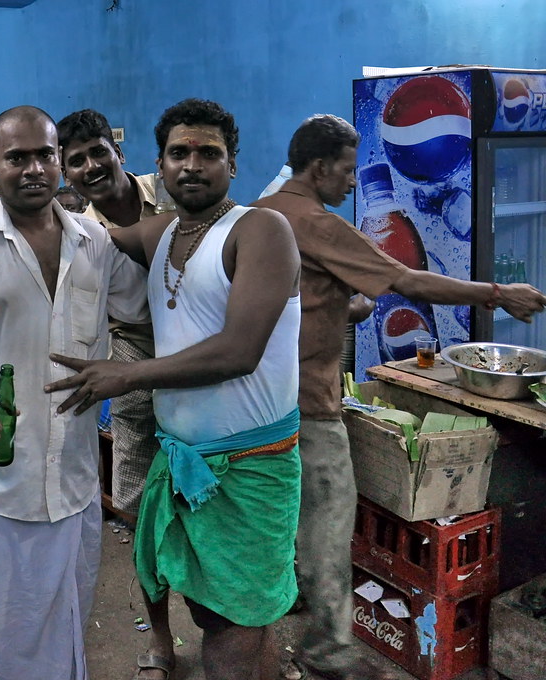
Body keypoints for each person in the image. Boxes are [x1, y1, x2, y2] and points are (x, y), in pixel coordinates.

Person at [252, 113, 546, 680]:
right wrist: (498, 292)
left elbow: (304, 297)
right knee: (330, 527)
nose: (354, 182)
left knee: (282, 520)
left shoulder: (261, 213)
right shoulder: (317, 221)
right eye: (345, 169)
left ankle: (287, 613)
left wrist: (340, 303)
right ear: (318, 168)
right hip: (309, 406)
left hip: (259, 404)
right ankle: (328, 652)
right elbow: (407, 280)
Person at [47, 99, 303, 680]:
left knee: (231, 634)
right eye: (178, 153)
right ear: (158, 167)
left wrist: (127, 374)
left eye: (208, 153)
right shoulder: (163, 231)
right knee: (218, 616)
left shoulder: (260, 230)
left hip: (251, 470)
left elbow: (240, 351)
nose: (193, 165)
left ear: (232, 165)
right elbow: (96, 229)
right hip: (184, 462)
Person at [0, 106, 149, 680]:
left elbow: (142, 310)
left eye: (45, 154)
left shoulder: (95, 242)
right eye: (18, 157)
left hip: (74, 469)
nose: (34, 168)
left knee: (68, 610)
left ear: (60, 162)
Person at [57, 108, 166, 520]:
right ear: (66, 175)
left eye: (98, 152)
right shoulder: (81, 237)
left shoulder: (170, 189)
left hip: (205, 343)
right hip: (135, 345)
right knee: (136, 468)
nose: (92, 167)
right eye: (77, 161)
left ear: (117, 151)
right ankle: (147, 565)